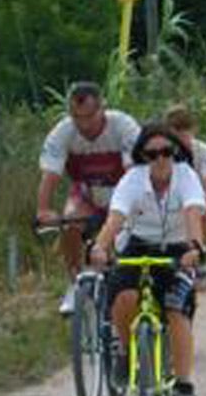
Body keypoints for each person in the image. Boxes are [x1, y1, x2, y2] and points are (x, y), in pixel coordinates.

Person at [90, 123, 206, 396]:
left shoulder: (186, 176)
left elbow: (193, 213)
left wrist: (194, 247)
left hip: (178, 249)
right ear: (143, 156)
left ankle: (183, 383)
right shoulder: (133, 179)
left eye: (167, 152)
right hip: (139, 245)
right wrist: (101, 247)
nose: (160, 159)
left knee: (175, 309)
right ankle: (126, 352)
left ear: (175, 153)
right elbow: (115, 218)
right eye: (152, 154)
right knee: (123, 296)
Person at [35, 81, 142, 315]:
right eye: (76, 117)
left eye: (90, 116)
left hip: (122, 192)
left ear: (102, 108)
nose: (83, 124)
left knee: (123, 237)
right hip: (86, 193)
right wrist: (43, 209)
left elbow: (135, 173)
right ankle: (76, 282)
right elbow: (51, 174)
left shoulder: (123, 125)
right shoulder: (63, 131)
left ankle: (127, 283)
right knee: (70, 222)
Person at [163, 105, 206, 291]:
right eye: (175, 132)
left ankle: (200, 256)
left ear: (193, 130)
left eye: (184, 131)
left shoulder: (201, 150)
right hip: (167, 200)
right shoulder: (162, 151)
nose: (181, 137)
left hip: (192, 201)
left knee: (204, 209)